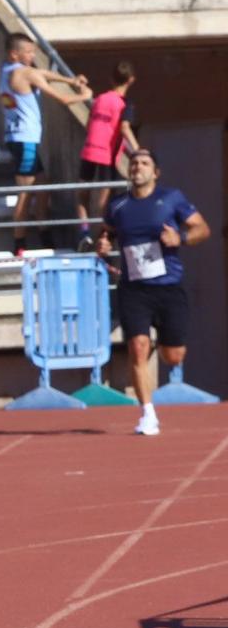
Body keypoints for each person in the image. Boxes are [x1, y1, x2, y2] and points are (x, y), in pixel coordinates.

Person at [98, 148, 211, 437]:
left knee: (173, 356)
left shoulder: (171, 198)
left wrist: (181, 237)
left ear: (155, 173)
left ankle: (164, 342)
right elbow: (106, 231)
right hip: (134, 288)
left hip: (168, 287)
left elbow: (203, 229)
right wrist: (104, 245)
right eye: (134, 163)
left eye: (144, 163)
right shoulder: (117, 204)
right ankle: (147, 413)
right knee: (137, 347)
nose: (138, 167)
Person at [0, 32, 90, 255]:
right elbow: (64, 99)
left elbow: (42, 73)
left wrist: (69, 80)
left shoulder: (7, 69)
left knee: (43, 183)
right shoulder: (24, 73)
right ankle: (19, 244)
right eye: (28, 52)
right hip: (25, 139)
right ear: (14, 54)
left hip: (17, 137)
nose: (32, 55)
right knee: (26, 192)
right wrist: (85, 94)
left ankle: (44, 230)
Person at [74, 62, 141, 249]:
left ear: (111, 79)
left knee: (82, 195)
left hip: (89, 150)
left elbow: (89, 125)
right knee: (104, 201)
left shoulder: (100, 98)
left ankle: (84, 232)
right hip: (107, 155)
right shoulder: (125, 104)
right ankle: (100, 239)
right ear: (131, 80)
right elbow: (125, 127)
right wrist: (138, 150)